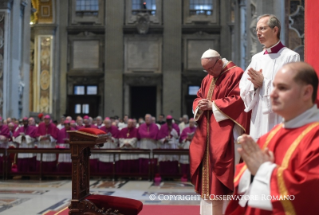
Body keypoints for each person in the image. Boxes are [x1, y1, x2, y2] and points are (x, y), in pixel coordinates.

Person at [226, 62, 319, 215]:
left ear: (307, 92)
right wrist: (252, 172)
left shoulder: (315, 137)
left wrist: (263, 170)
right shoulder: (270, 136)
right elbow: (242, 189)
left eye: (282, 88)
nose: (272, 94)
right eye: (273, 86)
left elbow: (309, 194)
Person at [190, 49, 250, 215]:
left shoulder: (236, 73)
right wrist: (200, 105)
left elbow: (239, 99)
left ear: (218, 61)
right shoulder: (208, 78)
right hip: (208, 137)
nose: (208, 73)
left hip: (227, 136)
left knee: (224, 180)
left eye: (210, 68)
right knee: (208, 181)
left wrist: (214, 105)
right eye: (205, 70)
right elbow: (198, 97)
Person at [239, 14, 300, 141]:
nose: (258, 33)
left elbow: (292, 88)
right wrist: (255, 86)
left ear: (275, 30)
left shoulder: (290, 57)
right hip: (259, 115)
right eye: (256, 30)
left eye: (262, 28)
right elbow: (244, 88)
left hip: (279, 115)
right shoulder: (256, 58)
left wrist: (264, 83)